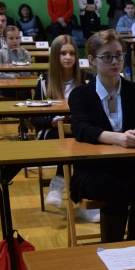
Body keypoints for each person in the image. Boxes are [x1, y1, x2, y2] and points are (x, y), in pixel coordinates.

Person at [68, 30, 135, 242]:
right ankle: (112, 248)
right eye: (107, 57)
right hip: (92, 169)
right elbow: (80, 128)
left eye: (119, 55)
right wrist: (119, 138)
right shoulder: (80, 95)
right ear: (92, 60)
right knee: (116, 191)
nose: (115, 61)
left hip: (131, 166)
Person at [31, 35, 89, 214]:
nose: (68, 57)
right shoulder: (44, 82)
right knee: (72, 142)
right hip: (51, 132)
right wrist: (52, 122)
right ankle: (72, 191)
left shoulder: (86, 80)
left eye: (72, 53)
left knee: (80, 141)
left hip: (78, 130)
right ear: (55, 56)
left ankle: (60, 184)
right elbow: (34, 119)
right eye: (63, 53)